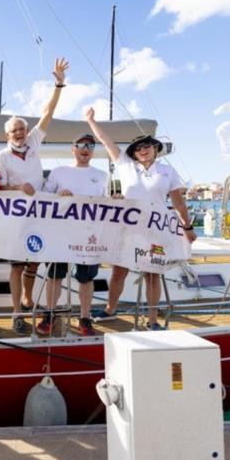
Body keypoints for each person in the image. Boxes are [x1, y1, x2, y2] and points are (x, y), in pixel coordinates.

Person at [85, 107, 197, 330]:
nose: (143, 150)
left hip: (155, 230)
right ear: (133, 153)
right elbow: (105, 140)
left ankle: (153, 320)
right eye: (138, 148)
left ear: (155, 148)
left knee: (152, 274)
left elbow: (178, 202)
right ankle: (110, 309)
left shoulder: (168, 171)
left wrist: (187, 226)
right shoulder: (126, 166)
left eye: (147, 146)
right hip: (128, 228)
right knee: (119, 270)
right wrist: (91, 121)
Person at [0, 58, 69, 335]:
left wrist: (59, 84)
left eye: (22, 129)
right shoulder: (1, 156)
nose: (20, 133)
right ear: (7, 134)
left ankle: (28, 298)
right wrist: (18, 188)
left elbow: (47, 112)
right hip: (16, 215)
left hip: (40, 213)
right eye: (14, 130)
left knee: (34, 259)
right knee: (16, 265)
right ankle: (17, 311)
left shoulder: (34, 142)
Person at [38, 133, 108, 337]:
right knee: (54, 276)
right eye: (81, 145)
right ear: (73, 148)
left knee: (86, 278)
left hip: (88, 235)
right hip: (60, 233)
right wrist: (58, 195)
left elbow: (105, 205)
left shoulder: (102, 175)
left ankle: (84, 318)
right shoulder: (59, 172)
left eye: (90, 145)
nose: (85, 149)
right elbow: (43, 198)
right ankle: (51, 314)